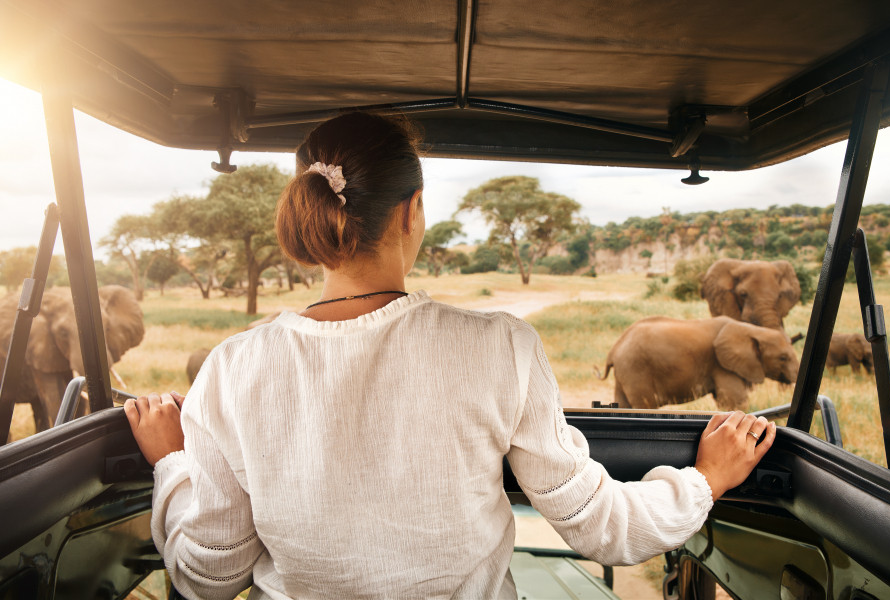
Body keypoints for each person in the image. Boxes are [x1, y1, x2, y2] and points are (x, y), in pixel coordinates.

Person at [125, 112, 776, 600]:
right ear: (413, 213)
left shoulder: (233, 369)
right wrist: (705, 480)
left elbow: (207, 576)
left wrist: (173, 463)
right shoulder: (500, 347)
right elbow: (603, 529)